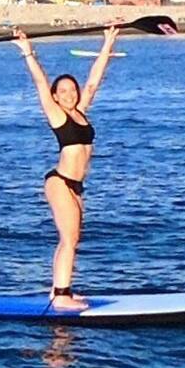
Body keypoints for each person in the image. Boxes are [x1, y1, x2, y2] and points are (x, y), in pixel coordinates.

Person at [15, 22, 124, 311]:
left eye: (71, 89)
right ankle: (62, 295)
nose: (69, 93)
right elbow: (40, 83)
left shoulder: (80, 112)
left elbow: (93, 81)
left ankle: (58, 292)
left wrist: (107, 45)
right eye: (62, 91)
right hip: (60, 182)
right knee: (70, 237)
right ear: (55, 96)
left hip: (76, 185)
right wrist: (28, 52)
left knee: (71, 238)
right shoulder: (56, 114)